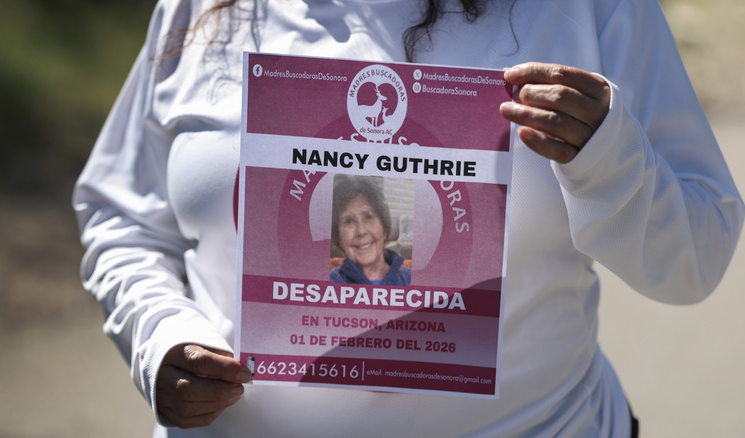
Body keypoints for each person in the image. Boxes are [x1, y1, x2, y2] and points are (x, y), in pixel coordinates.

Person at [73, 0, 744, 436]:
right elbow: (122, 216)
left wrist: (609, 157)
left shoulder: (587, 10)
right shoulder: (211, 9)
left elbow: (695, 261)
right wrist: (158, 337)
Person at [329, 176, 411, 286]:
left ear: (383, 225)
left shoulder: (410, 280)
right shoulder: (329, 283)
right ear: (338, 236)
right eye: (349, 221)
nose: (361, 231)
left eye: (368, 217)